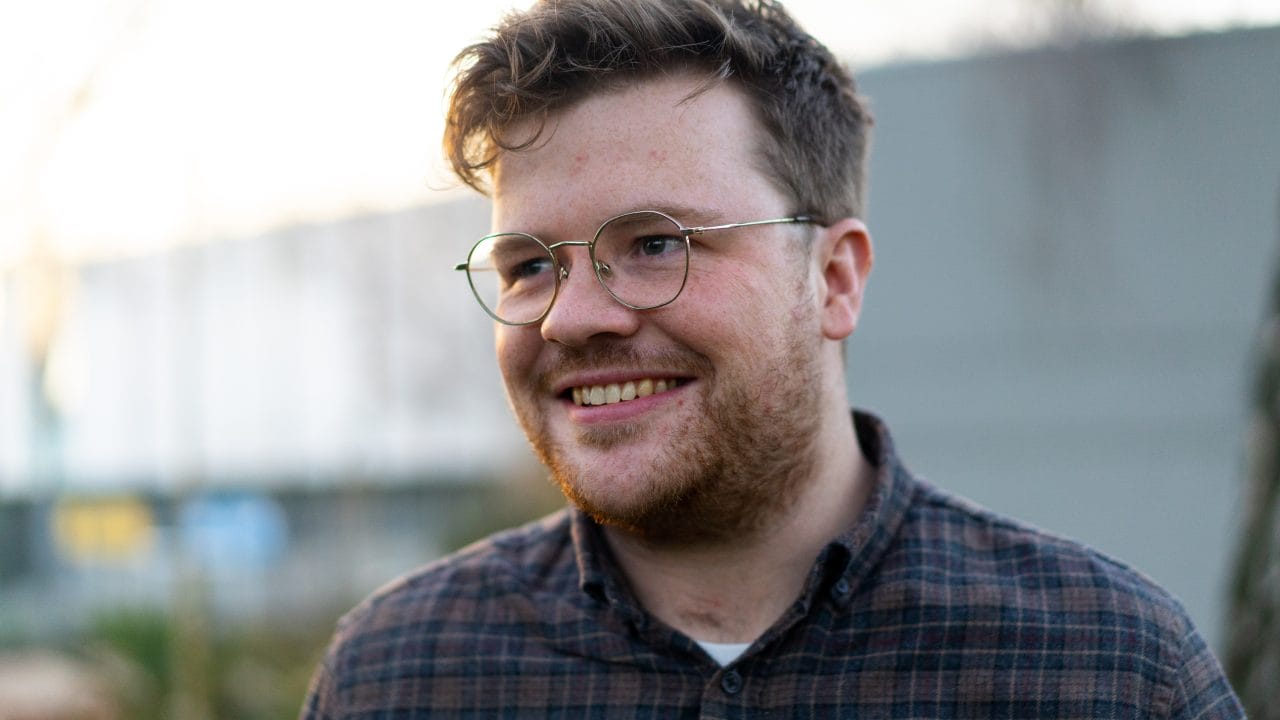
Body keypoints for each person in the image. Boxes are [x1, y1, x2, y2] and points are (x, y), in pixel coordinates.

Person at [302, 1, 1243, 717]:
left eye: (657, 243)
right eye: (529, 266)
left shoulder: (1110, 672)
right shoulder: (397, 676)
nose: (569, 319)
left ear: (834, 278)